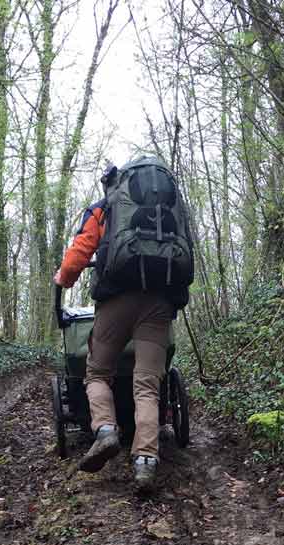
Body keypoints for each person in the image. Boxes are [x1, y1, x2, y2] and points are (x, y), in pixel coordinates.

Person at [53, 157, 192, 492]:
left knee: (97, 372)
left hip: (115, 301)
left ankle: (105, 431)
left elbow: (80, 253)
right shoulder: (172, 212)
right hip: (159, 302)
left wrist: (64, 278)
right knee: (148, 385)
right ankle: (145, 461)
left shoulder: (105, 209)